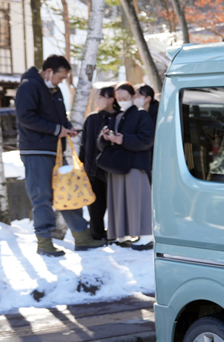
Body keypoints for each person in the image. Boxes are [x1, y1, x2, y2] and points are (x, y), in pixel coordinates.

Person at [15, 54, 105, 256]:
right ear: (48, 72)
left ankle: (82, 238)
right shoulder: (29, 86)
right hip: (36, 151)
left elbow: (59, 117)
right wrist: (57, 130)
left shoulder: (53, 90)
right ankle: (44, 244)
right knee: (42, 197)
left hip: (54, 150)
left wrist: (67, 127)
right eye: (61, 77)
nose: (62, 81)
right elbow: (25, 117)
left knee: (68, 191)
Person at [101, 83, 155, 250]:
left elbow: (147, 140)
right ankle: (122, 234)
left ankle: (145, 236)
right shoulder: (117, 116)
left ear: (133, 97)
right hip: (119, 164)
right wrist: (105, 138)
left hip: (135, 164)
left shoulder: (141, 115)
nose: (122, 101)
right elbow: (101, 144)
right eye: (119, 98)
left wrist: (122, 139)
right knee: (119, 200)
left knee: (138, 200)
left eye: (125, 98)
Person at [78, 86, 119, 240]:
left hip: (113, 170)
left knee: (115, 205)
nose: (97, 101)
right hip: (93, 170)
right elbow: (84, 145)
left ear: (110, 100)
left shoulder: (119, 117)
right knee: (95, 207)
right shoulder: (92, 118)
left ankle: (115, 234)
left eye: (100, 97)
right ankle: (96, 235)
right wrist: (83, 165)